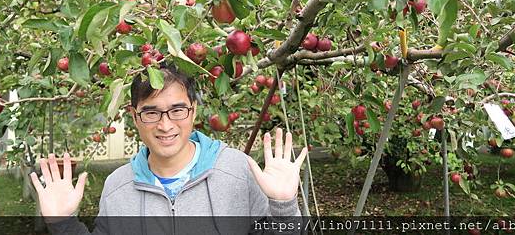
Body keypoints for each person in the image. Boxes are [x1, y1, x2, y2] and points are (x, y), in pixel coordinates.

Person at [30, 64, 308, 234]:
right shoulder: (117, 187)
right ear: (134, 116)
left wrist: (283, 206)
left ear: (193, 110)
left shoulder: (236, 169)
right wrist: (63, 223)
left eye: (177, 110)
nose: (165, 125)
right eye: (151, 113)